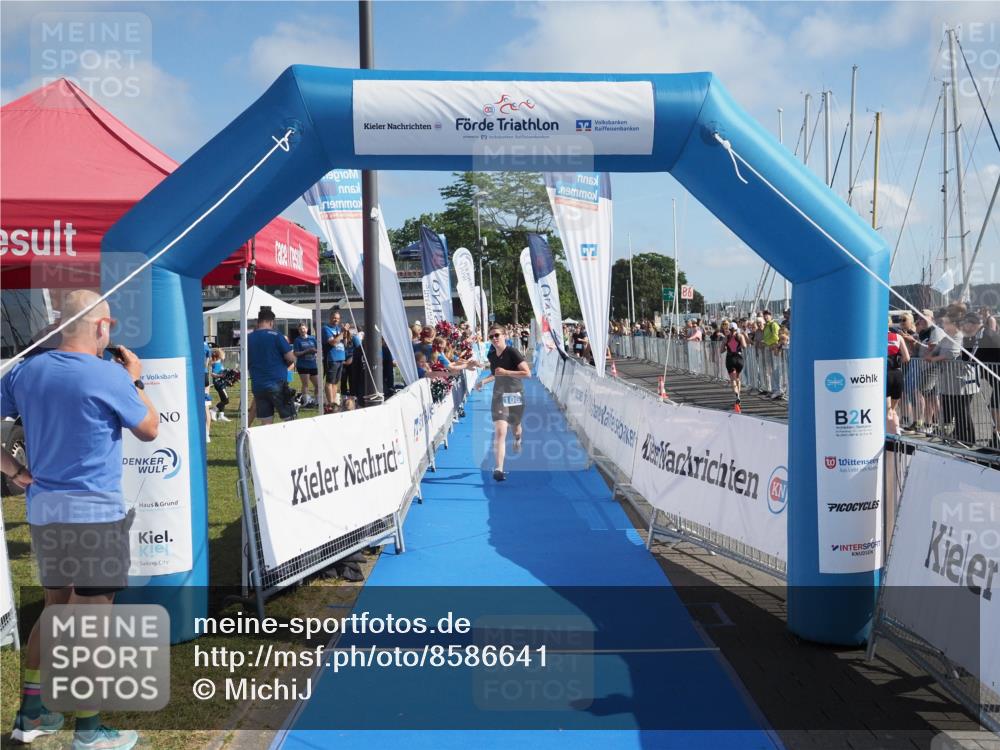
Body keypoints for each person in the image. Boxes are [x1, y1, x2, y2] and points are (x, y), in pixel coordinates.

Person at [2, 289, 158, 750]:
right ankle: (88, 731)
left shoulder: (26, 371)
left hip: (46, 513)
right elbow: (150, 430)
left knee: (55, 614)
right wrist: (136, 381)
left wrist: (15, 471)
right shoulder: (109, 375)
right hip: (94, 516)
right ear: (102, 327)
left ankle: (31, 714)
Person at [476, 324, 531, 481]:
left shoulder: (513, 352)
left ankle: (518, 439)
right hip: (499, 396)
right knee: (500, 431)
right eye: (491, 336)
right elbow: (496, 374)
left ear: (505, 335)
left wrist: (507, 372)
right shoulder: (491, 355)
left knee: (516, 428)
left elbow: (527, 373)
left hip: (515, 394)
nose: (494, 338)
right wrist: (484, 382)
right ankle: (499, 468)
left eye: (497, 335)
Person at [248, 306, 297, 425]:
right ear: (271, 322)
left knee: (266, 421)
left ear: (258, 321)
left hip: (258, 384)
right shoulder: (276, 335)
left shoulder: (248, 338)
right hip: (277, 382)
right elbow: (291, 358)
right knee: (289, 419)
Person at [722, 320, 748, 405]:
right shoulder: (740, 336)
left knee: (733, 379)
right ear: (737, 329)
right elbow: (744, 346)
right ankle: (739, 395)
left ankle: (737, 395)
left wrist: (727, 347)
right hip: (739, 358)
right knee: (737, 378)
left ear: (729, 329)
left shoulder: (726, 338)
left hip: (730, 358)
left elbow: (721, 350)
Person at [322, 310, 344, 410]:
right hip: (331, 358)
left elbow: (346, 342)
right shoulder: (326, 328)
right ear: (330, 318)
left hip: (340, 358)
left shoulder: (339, 329)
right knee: (330, 381)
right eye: (335, 318)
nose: (336, 320)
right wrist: (343, 333)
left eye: (338, 318)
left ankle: (334, 402)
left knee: (336, 382)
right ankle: (330, 403)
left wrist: (346, 333)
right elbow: (333, 342)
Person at [292, 323, 318, 407]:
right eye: (300, 329)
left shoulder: (312, 338)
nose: (302, 330)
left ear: (307, 329)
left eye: (303, 328)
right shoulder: (297, 340)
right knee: (306, 384)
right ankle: (306, 402)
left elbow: (318, 349)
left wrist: (315, 351)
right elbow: (296, 353)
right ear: (298, 331)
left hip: (313, 364)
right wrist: (306, 351)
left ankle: (317, 401)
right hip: (303, 365)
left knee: (317, 385)